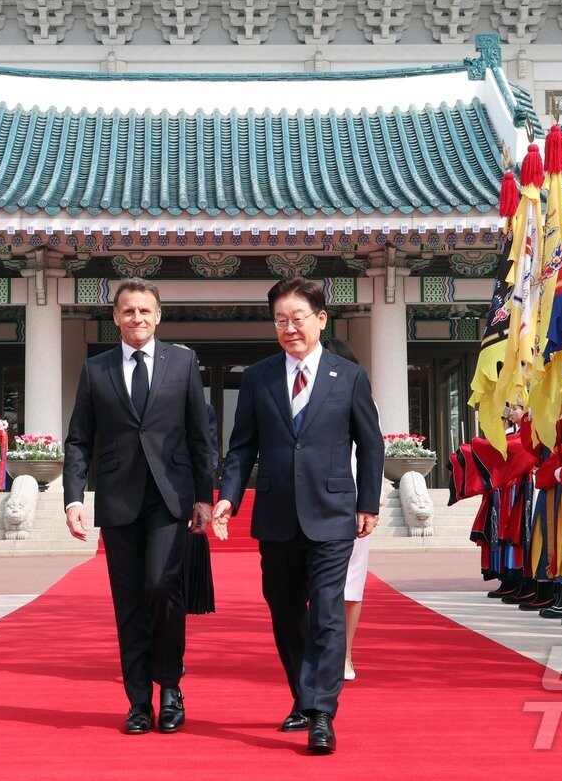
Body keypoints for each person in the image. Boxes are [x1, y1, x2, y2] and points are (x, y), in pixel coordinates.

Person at [213, 277, 383, 755]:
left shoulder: (349, 376)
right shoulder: (258, 377)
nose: (290, 328)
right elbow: (241, 446)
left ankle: (321, 713)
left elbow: (370, 445)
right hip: (276, 514)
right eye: (280, 320)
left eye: (298, 318)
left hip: (332, 512)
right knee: (286, 612)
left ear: (321, 320)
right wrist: (229, 497)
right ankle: (304, 697)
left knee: (327, 611)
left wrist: (368, 504)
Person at [63, 277, 213, 736]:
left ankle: (170, 687)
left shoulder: (182, 362)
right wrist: (73, 498)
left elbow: (200, 435)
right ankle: (138, 702)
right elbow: (78, 440)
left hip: (170, 497)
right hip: (118, 498)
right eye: (128, 311)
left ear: (158, 316)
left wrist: (204, 496)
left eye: (145, 310)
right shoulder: (96, 369)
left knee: (162, 586)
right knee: (128, 601)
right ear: (115, 317)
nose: (137, 318)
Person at [321, 337, 371, 681]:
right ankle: (320, 653)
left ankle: (345, 655)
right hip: (313, 501)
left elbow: (370, 451)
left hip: (351, 503)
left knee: (351, 583)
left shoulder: (358, 392)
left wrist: (366, 502)